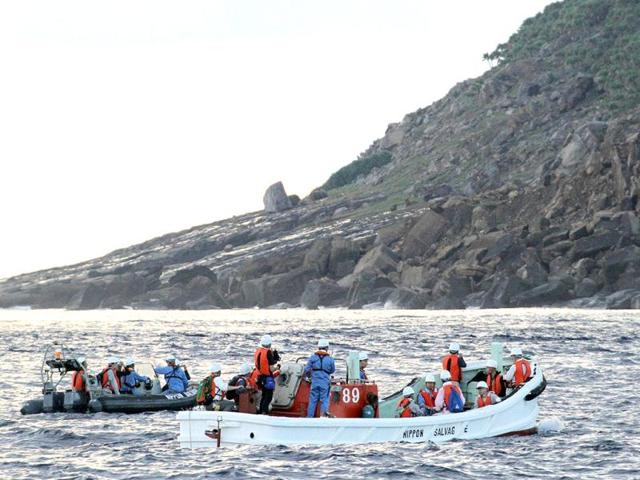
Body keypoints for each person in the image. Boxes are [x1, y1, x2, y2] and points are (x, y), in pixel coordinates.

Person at [304, 338, 336, 417]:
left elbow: (306, 369)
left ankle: (309, 418)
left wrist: (309, 376)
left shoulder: (312, 358)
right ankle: (323, 417)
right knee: (324, 400)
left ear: (318, 347)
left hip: (314, 382)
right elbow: (332, 370)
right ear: (327, 348)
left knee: (312, 401)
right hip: (324, 383)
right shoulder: (330, 359)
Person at [254, 335, 281, 414]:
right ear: (270, 343)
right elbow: (272, 369)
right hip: (267, 378)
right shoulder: (268, 352)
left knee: (264, 395)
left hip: (260, 377)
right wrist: (278, 367)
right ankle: (264, 412)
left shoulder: (258, 351)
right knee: (268, 397)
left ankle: (261, 411)